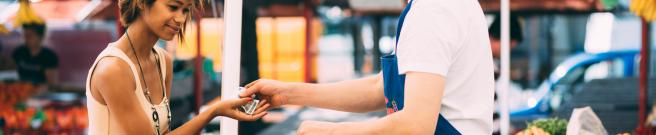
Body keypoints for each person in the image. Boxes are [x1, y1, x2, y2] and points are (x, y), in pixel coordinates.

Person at [241, 0, 494, 134]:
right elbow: (380, 87)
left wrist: (331, 133)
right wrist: (287, 94)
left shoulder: (434, 11)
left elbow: (415, 126)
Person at [85, 0, 269, 134]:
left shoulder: (163, 61)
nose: (181, 18)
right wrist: (214, 111)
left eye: (186, 10)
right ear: (141, 2)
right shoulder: (112, 70)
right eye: (173, 7)